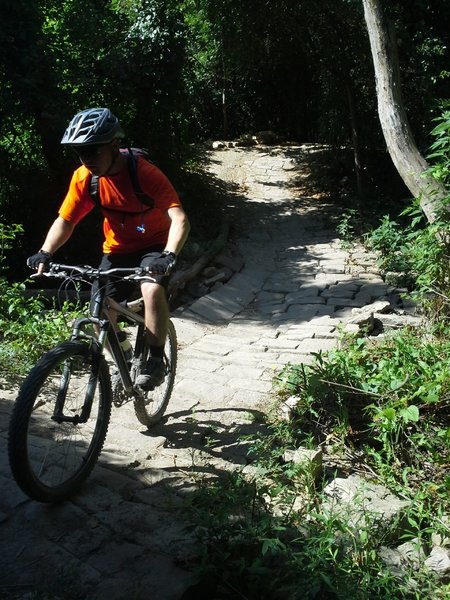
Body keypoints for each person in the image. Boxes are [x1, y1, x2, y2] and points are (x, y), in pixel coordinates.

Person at [27, 107, 190, 390]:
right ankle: (125, 353)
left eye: (94, 151)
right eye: (81, 152)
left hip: (155, 246)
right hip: (116, 248)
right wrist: (45, 251)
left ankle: (154, 360)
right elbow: (66, 220)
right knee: (99, 306)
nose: (87, 159)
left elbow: (180, 219)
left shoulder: (145, 174)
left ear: (115, 145)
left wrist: (169, 256)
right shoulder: (85, 178)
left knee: (151, 288)